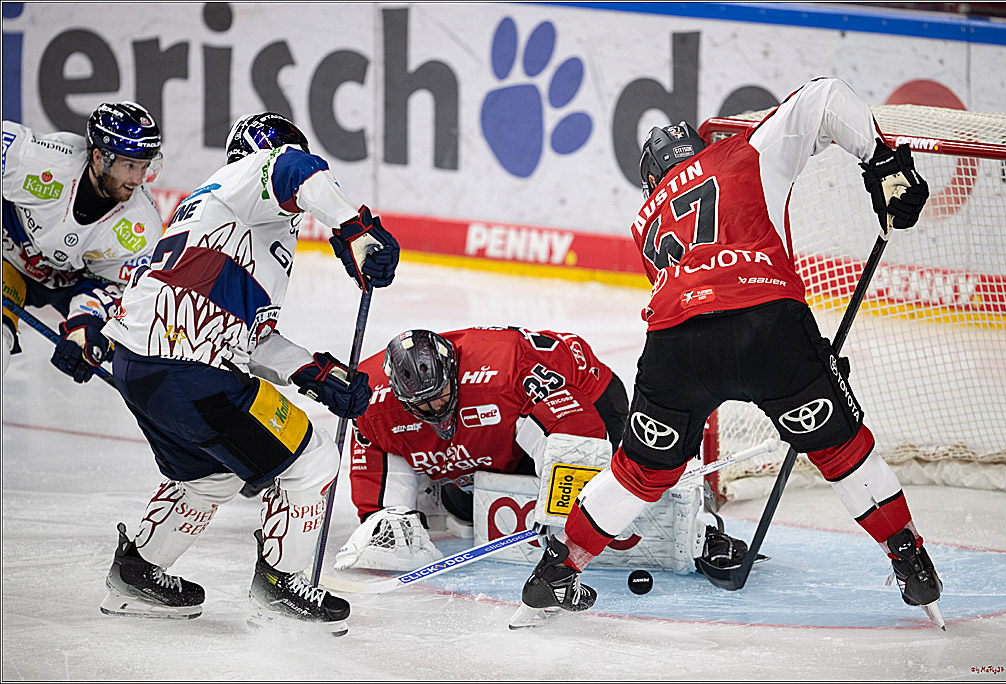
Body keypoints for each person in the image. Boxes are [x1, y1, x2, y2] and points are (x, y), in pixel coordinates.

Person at [518, 77, 942, 624]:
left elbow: (697, 294)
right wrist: (881, 161)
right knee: (840, 450)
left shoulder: (645, 222)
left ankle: (557, 570)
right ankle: (908, 556)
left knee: (638, 472)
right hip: (770, 327)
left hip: (677, 346)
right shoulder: (742, 149)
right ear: (700, 147)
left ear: (651, 180)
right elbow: (824, 96)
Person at [97, 112, 400, 636]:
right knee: (312, 461)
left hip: (142, 366)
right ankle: (281, 587)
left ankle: (137, 571)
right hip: (188, 369)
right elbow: (290, 168)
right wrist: (356, 227)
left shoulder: (234, 222)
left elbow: (250, 338)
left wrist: (317, 372)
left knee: (209, 475)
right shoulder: (246, 179)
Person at [335, 326, 750, 577]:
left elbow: (578, 438)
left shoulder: (503, 368)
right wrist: (380, 520)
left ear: (454, 372)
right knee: (466, 507)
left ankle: (699, 531)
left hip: (587, 397)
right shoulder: (371, 399)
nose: (435, 410)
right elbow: (371, 449)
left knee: (607, 495)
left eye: (441, 395)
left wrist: (566, 515)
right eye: (420, 406)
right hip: (506, 430)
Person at [2, 102, 164, 382]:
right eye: (130, 165)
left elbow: (107, 284)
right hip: (9, 259)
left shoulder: (142, 226)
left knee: (131, 342)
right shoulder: (36, 160)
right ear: (100, 157)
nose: (138, 179)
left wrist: (85, 327)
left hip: (70, 282)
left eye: (145, 167)